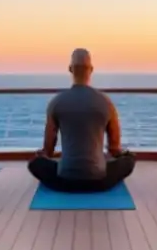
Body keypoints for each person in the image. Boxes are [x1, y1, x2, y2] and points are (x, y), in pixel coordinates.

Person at [28, 48, 135, 192]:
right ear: (91, 70)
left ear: (70, 69)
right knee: (129, 160)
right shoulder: (106, 103)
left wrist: (42, 155)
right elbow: (114, 149)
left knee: (34, 163)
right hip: (99, 181)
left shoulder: (56, 102)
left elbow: (48, 151)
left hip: (65, 180)